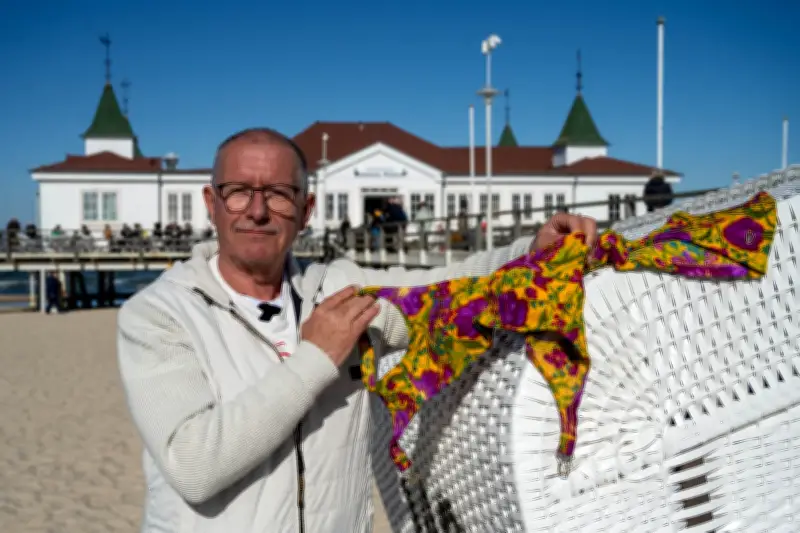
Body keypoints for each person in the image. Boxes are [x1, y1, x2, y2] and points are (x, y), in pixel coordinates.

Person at [116, 127, 597, 533]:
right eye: (239, 190)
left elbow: (442, 289)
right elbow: (194, 466)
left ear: (306, 211)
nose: (257, 211)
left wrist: (530, 252)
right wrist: (315, 358)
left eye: (280, 194)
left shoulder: (337, 288)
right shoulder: (158, 313)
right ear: (211, 202)